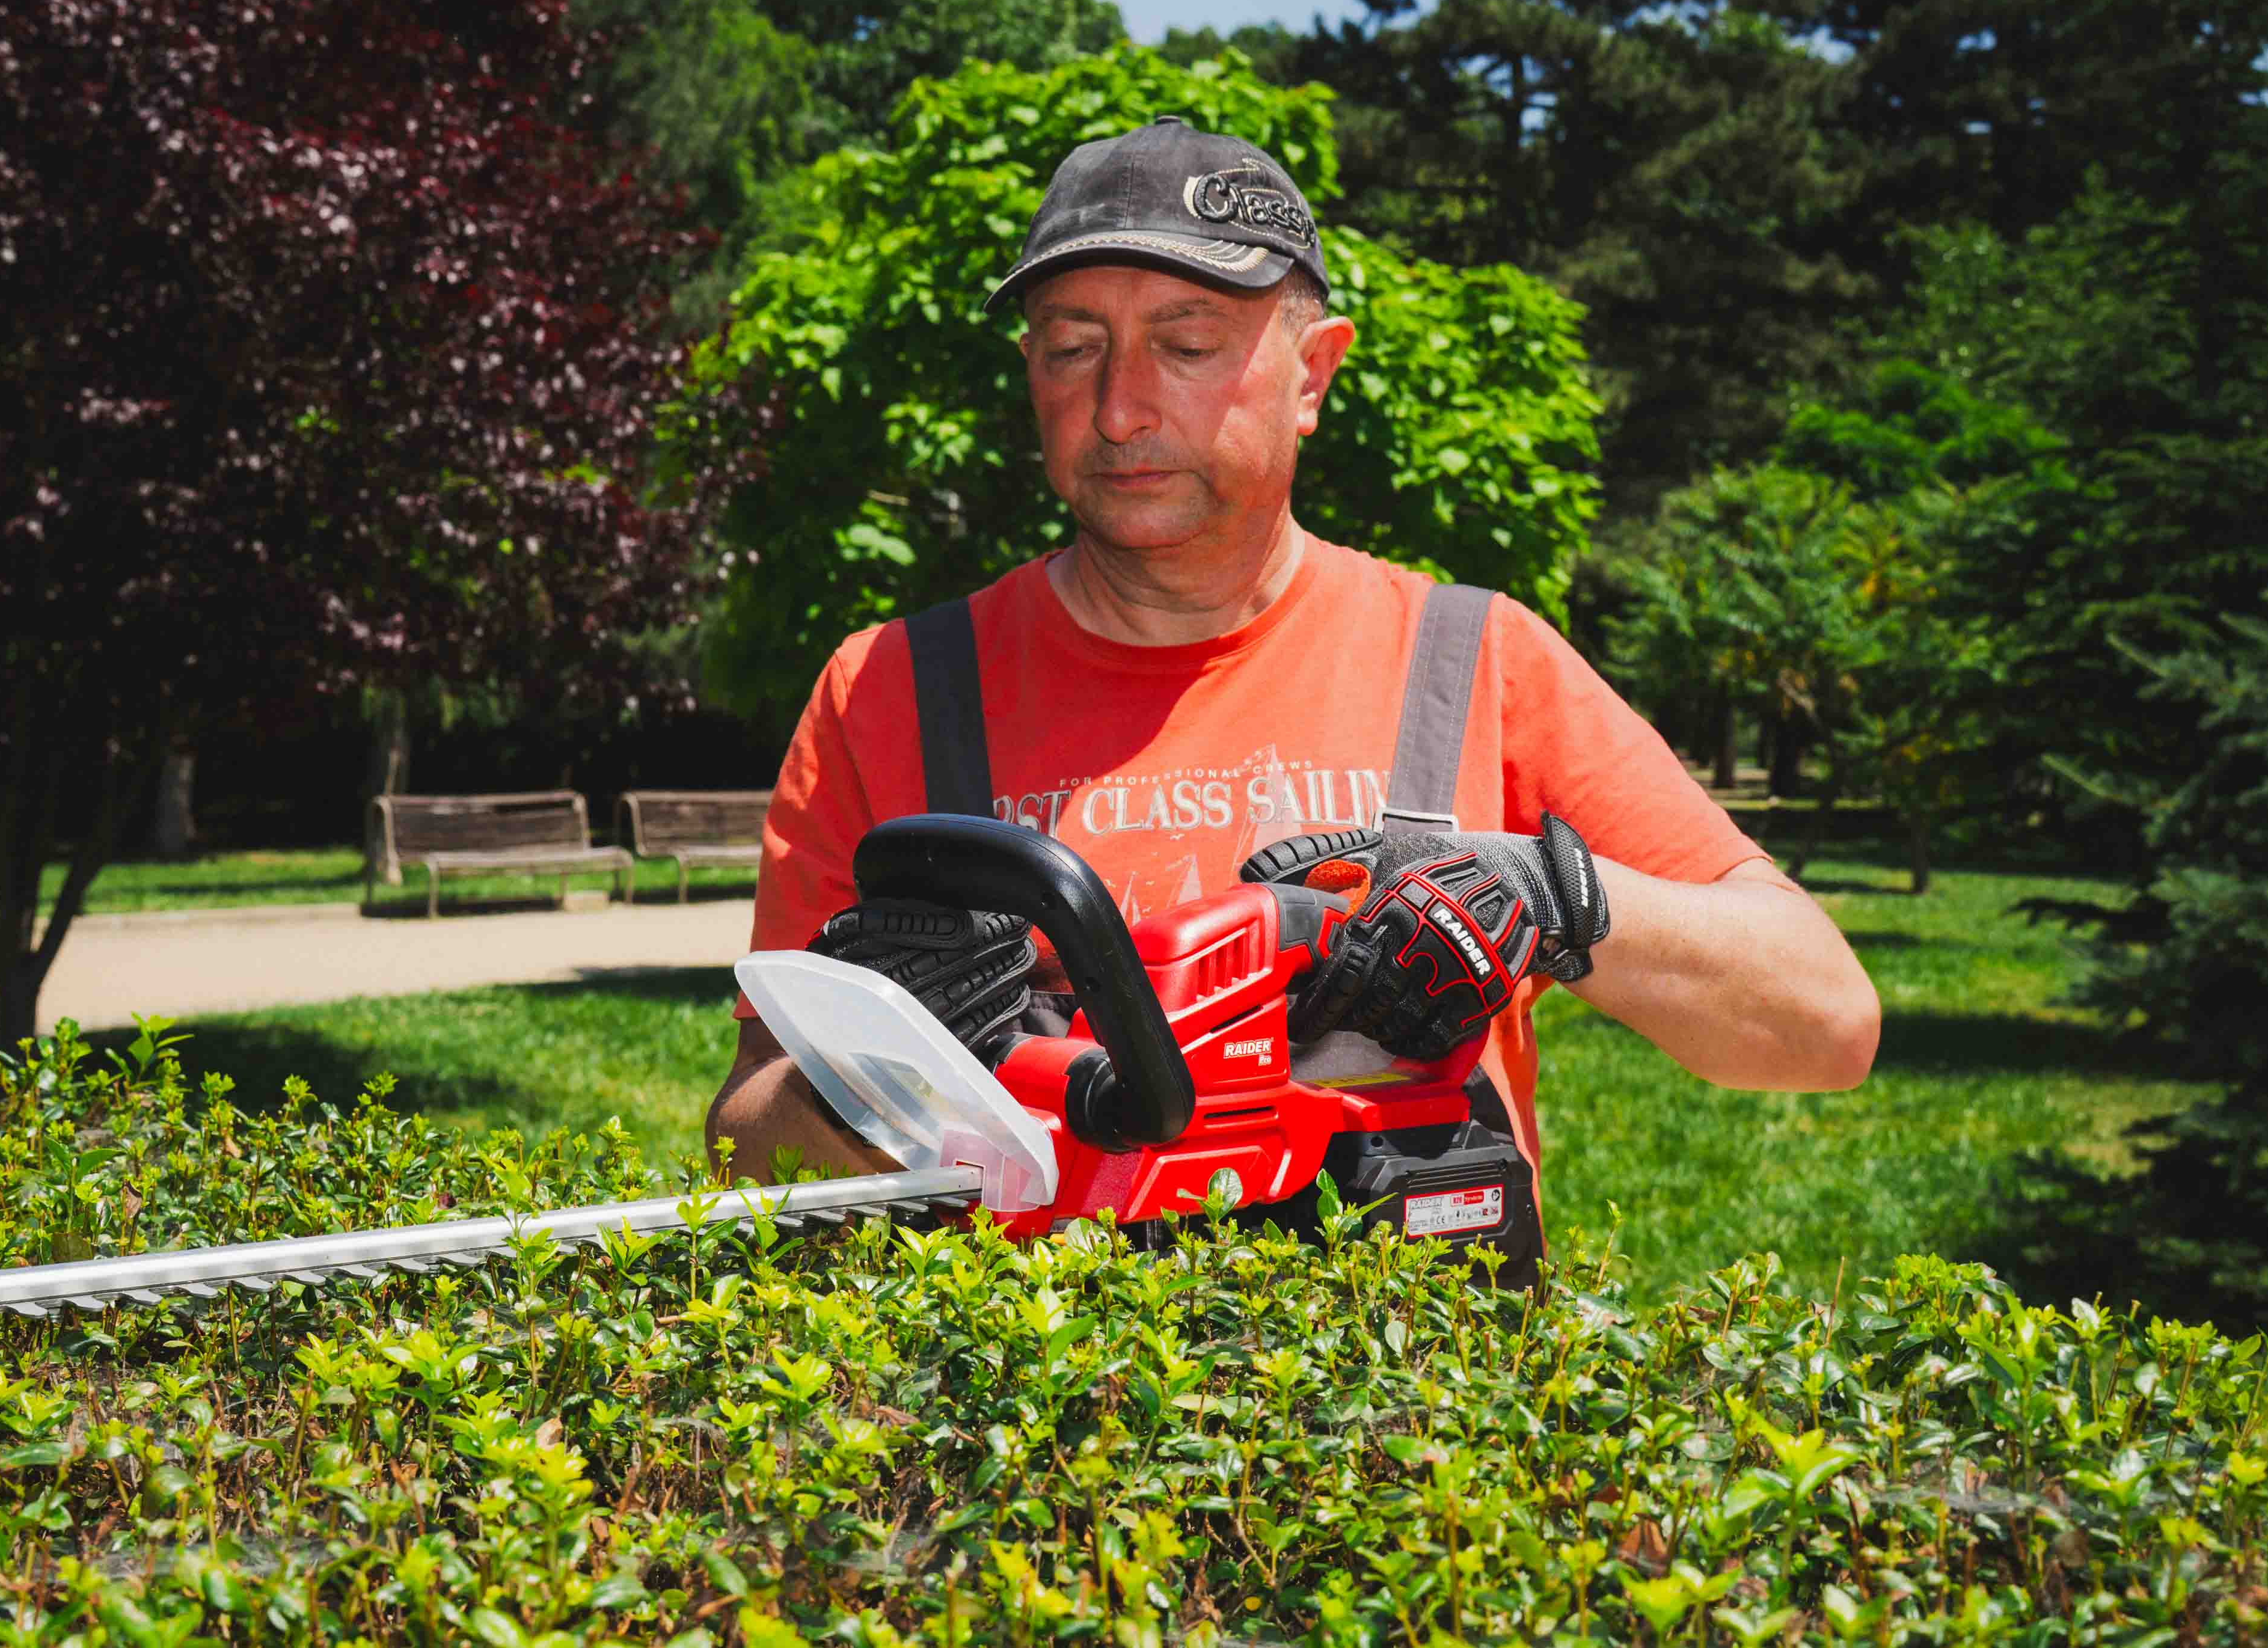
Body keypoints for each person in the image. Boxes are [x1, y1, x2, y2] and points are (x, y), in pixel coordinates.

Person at [706, 116, 1880, 1247]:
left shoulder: (1473, 660)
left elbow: (1825, 1023)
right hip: (1026, 1378)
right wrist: (872, 1087)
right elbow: (744, 1141)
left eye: (1187, 345)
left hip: (1405, 1378)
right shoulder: (889, 689)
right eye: (1072, 348)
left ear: (1312, 374)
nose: (1119, 408)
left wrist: (1546, 898)